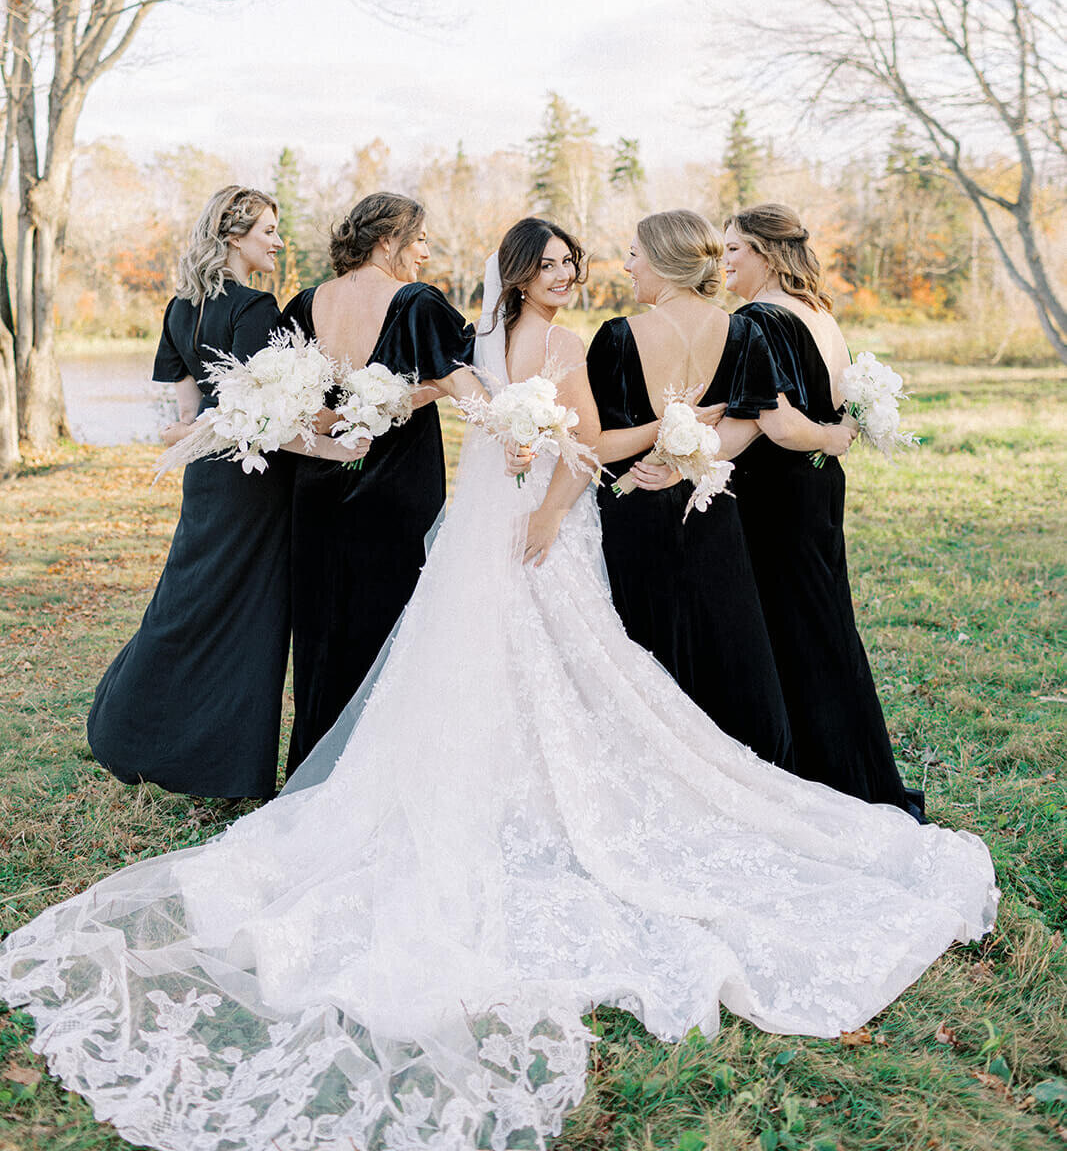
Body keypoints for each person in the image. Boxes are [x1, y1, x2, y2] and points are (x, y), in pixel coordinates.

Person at [0, 217, 997, 1151]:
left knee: (566, 670)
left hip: (536, 522)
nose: (567, 278)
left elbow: (579, 442)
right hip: (494, 525)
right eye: (552, 267)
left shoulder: (555, 345)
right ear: (520, 272)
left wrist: (557, 482)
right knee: (459, 662)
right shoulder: (492, 338)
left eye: (574, 267)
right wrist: (538, 452)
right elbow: (489, 413)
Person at [87, 187, 293, 800]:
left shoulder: (180, 308)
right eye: (267, 230)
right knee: (252, 618)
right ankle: (226, 767)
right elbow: (259, 415)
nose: (277, 241)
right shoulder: (258, 307)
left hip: (203, 477)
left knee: (187, 603)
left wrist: (203, 427)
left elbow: (183, 416)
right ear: (234, 236)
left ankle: (141, 729)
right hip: (254, 479)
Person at [719, 201, 923, 815]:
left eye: (733, 249)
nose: (723, 261)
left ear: (765, 253)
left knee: (791, 626)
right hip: (816, 486)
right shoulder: (819, 314)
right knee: (823, 622)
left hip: (777, 489)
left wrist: (830, 437)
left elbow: (778, 423)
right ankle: (847, 770)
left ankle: (824, 780)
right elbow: (838, 405)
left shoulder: (757, 319)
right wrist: (834, 439)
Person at [587, 209, 800, 765]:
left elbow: (595, 441)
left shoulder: (616, 337)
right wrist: (686, 466)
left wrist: (661, 461)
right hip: (709, 506)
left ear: (660, 260)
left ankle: (654, 765)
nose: (628, 265)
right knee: (722, 634)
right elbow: (749, 419)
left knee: (645, 638)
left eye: (634, 254)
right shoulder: (744, 330)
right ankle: (732, 763)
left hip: (631, 508)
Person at [279, 191, 477, 775]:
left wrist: (339, 418)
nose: (426, 251)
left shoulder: (305, 302)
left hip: (316, 481)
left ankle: (318, 765)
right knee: (397, 615)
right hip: (397, 482)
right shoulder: (417, 303)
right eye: (419, 239)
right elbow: (463, 385)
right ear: (388, 239)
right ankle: (385, 772)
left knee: (322, 621)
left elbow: (290, 408)